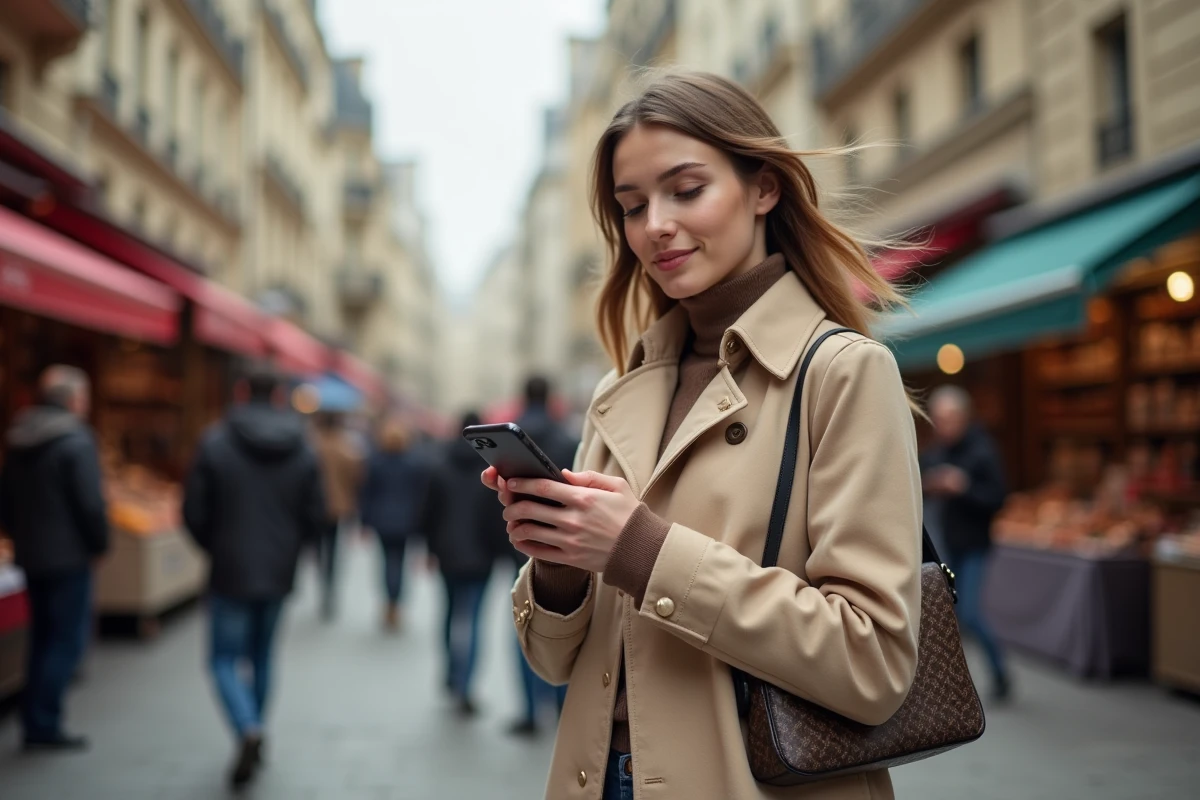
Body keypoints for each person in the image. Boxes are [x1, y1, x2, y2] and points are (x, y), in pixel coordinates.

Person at [483, 72, 923, 800]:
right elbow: (554, 665)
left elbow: (871, 664)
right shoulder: (620, 388)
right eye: (632, 206)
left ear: (763, 188)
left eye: (686, 190)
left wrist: (638, 550)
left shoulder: (842, 373)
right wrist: (560, 561)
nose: (654, 224)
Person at [182, 363, 326, 789]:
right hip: (278, 568)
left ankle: (247, 728)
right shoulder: (301, 445)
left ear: (242, 391)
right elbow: (316, 514)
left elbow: (192, 509)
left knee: (223, 658)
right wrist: (292, 548)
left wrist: (215, 544)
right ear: (280, 395)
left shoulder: (216, 440)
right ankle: (256, 726)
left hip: (229, 566)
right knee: (261, 655)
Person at [0, 366, 108, 752]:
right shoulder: (76, 441)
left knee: (42, 635)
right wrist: (99, 545)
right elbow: (90, 505)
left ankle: (36, 717)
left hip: (31, 553)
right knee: (63, 640)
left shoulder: (19, 437)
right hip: (68, 556)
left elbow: (6, 500)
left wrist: (19, 536)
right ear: (75, 400)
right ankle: (44, 722)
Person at [921, 385, 1011, 702]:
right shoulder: (937, 451)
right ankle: (952, 686)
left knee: (970, 614)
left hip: (974, 545)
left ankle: (1000, 674)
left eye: (949, 418)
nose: (944, 425)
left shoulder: (982, 450)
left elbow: (997, 498)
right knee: (948, 616)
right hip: (946, 544)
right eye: (938, 419)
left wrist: (963, 487)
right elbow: (920, 480)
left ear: (963, 416)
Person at [421, 411, 505, 716]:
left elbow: (429, 512)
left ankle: (452, 673)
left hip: (447, 553)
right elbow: (499, 518)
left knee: (449, 613)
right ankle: (466, 684)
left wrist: (429, 549)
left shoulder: (440, 465)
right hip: (482, 557)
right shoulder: (491, 470)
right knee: (472, 620)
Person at [506, 377, 577, 736]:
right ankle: (564, 710)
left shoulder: (511, 438)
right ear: (549, 397)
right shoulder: (566, 436)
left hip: (519, 542)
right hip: (566, 545)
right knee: (565, 627)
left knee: (525, 624)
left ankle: (530, 712)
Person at [359, 415, 427, 631]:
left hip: (382, 520)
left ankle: (389, 603)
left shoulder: (376, 461)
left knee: (387, 561)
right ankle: (395, 603)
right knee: (399, 561)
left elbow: (367, 493)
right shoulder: (414, 462)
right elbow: (420, 495)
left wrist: (365, 522)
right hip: (406, 521)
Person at [310, 412, 364, 621]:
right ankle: (329, 586)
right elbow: (356, 476)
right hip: (337, 507)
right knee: (332, 549)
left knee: (318, 548)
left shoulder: (313, 445)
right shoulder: (346, 447)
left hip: (316, 506)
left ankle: (323, 582)